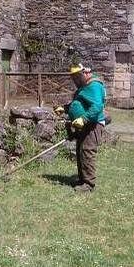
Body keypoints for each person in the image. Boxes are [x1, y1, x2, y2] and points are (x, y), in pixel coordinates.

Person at [54, 64, 107, 193]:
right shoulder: (83, 88)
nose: (75, 80)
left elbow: (97, 106)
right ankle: (82, 179)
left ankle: (89, 184)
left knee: (87, 151)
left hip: (93, 124)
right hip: (82, 125)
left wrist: (84, 119)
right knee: (80, 151)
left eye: (77, 77)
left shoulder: (94, 86)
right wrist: (65, 109)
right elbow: (78, 103)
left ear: (85, 73)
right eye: (73, 78)